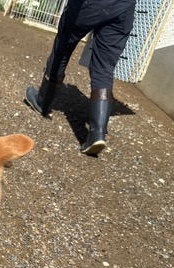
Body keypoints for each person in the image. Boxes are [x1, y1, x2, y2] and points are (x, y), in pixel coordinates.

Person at [25, 0, 137, 155]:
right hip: (124, 7)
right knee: (104, 68)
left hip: (89, 5)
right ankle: (97, 133)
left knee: (62, 49)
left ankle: (43, 101)